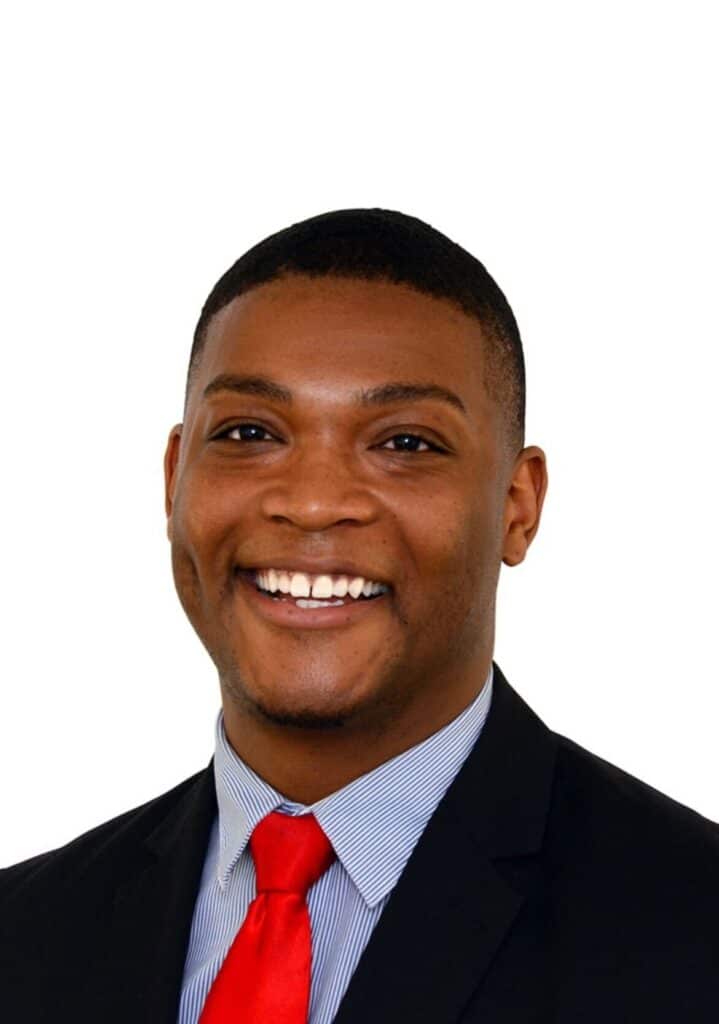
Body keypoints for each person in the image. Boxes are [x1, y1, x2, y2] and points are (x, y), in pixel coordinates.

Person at [1, 209, 717, 1023]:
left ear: (516, 507)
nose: (312, 503)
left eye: (405, 444)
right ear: (175, 478)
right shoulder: (26, 932)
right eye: (248, 431)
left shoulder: (692, 934)